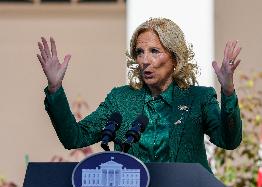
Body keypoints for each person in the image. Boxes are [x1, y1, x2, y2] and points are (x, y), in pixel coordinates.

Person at [37, 18, 242, 173]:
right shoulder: (120, 99)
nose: (145, 60)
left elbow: (228, 140)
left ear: (174, 57)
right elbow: (75, 138)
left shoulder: (198, 98)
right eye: (139, 52)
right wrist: (55, 89)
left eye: (154, 51)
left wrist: (228, 91)